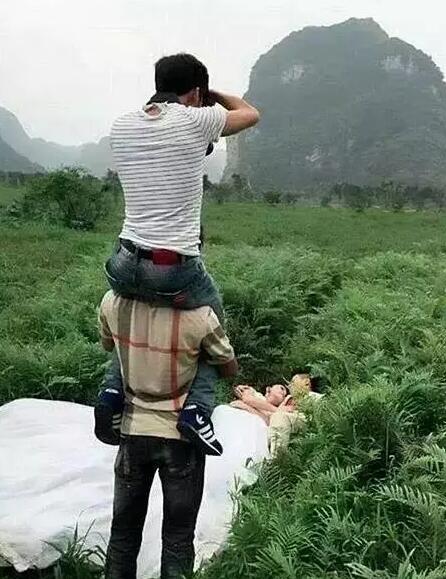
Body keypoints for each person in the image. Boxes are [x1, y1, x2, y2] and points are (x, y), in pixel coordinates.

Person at [98, 53, 260, 456]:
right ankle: (197, 410)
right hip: (173, 268)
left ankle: (111, 392)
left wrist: (197, 96)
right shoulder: (195, 119)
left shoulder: (122, 124)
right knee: (211, 331)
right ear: (196, 93)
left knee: (129, 323)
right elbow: (250, 114)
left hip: (123, 263)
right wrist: (212, 96)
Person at [97, 289, 238, 579]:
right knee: (178, 538)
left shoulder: (113, 302)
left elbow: (108, 345)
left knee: (123, 533)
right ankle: (194, 413)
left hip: (133, 432)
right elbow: (228, 367)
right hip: (180, 440)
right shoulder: (201, 316)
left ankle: (109, 395)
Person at [231, 374, 323, 455]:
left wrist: (247, 407)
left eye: (293, 382)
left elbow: (271, 420)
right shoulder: (257, 395)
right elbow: (247, 398)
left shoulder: (288, 407)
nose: (287, 388)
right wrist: (277, 410)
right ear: (268, 389)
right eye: (282, 388)